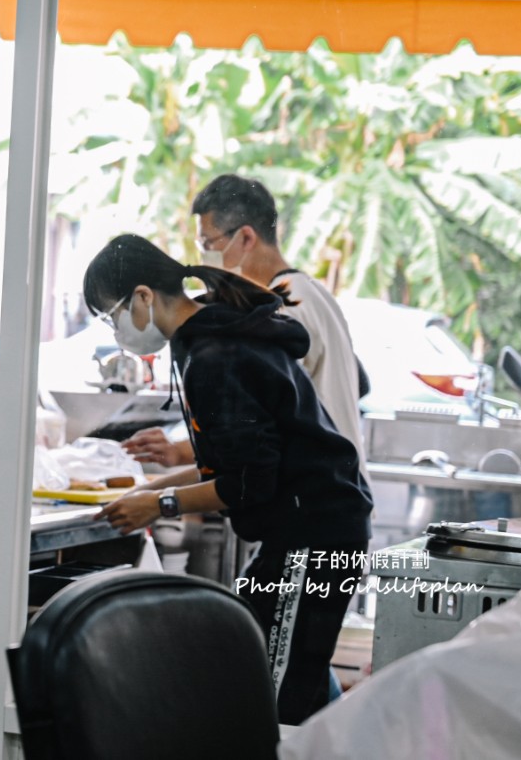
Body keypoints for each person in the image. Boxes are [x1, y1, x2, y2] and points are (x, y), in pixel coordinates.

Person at [86, 234, 372, 725]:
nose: (116, 333)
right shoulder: (208, 343)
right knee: (268, 656)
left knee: (275, 688)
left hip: (316, 535)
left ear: (142, 297)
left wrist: (159, 506)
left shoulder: (216, 357)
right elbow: (233, 462)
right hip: (305, 531)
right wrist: (146, 490)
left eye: (110, 317)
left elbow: (249, 483)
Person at [124, 175, 368, 486]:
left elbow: (264, 429)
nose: (204, 257)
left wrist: (176, 459)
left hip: (316, 498)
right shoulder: (308, 292)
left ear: (246, 238)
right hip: (335, 490)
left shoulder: (282, 308)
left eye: (208, 243)